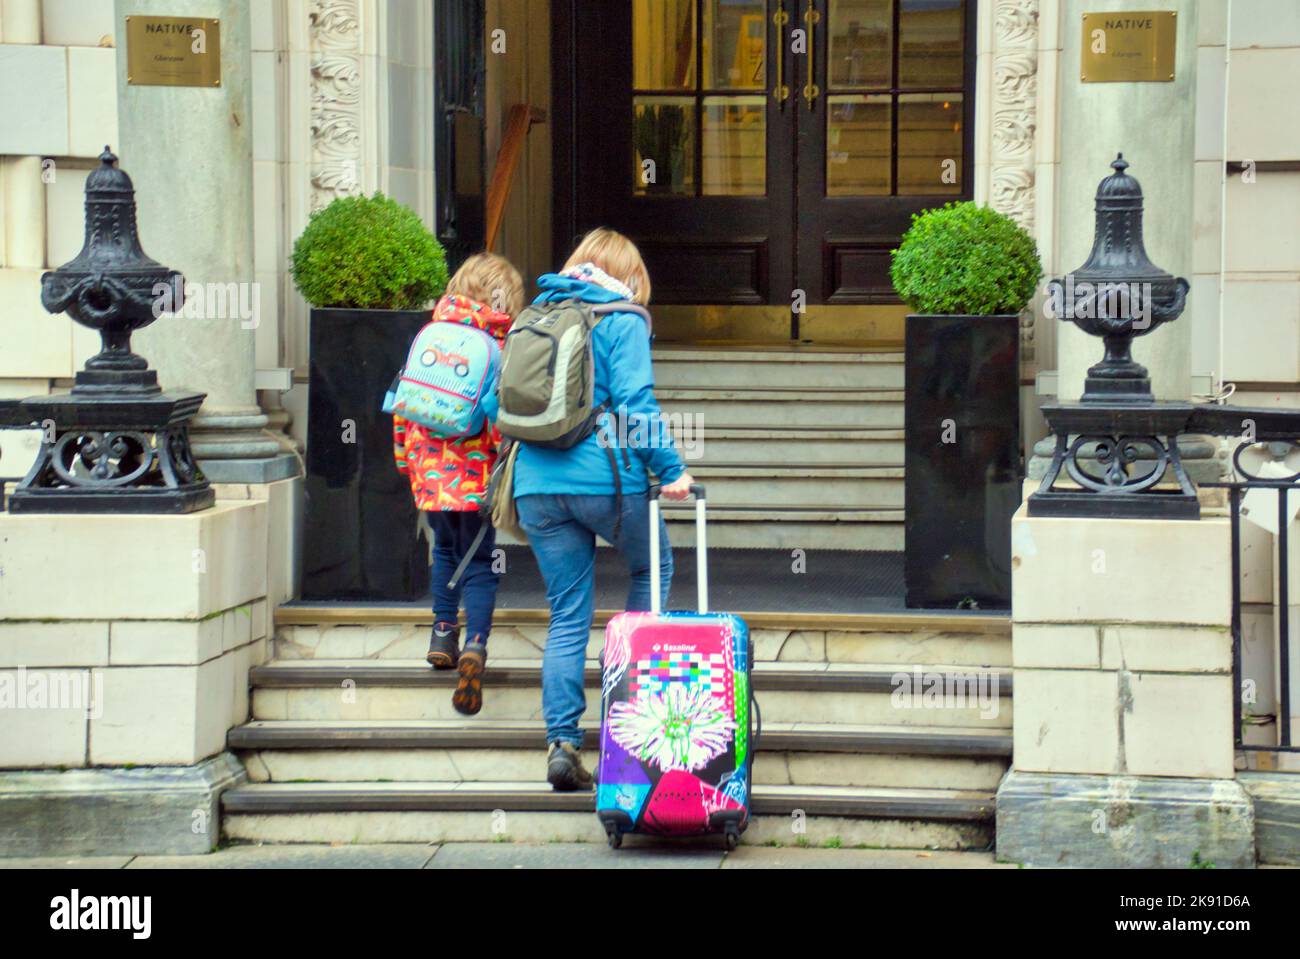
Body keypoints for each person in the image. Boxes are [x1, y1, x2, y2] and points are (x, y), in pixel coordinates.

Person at [512, 228, 695, 791]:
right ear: (630, 275)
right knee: (652, 569)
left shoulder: (537, 312)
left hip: (534, 484)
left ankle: (562, 742)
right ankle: (631, 724)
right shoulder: (623, 317)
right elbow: (636, 402)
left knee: (568, 613)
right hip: (604, 477)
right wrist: (671, 470)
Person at [392, 252, 524, 716]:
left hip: (429, 477)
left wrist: (408, 465)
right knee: (481, 562)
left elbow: (404, 406)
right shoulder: (498, 347)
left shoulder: (429, 335)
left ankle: (443, 634)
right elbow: (498, 423)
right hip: (475, 478)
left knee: (443, 552)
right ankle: (477, 645)